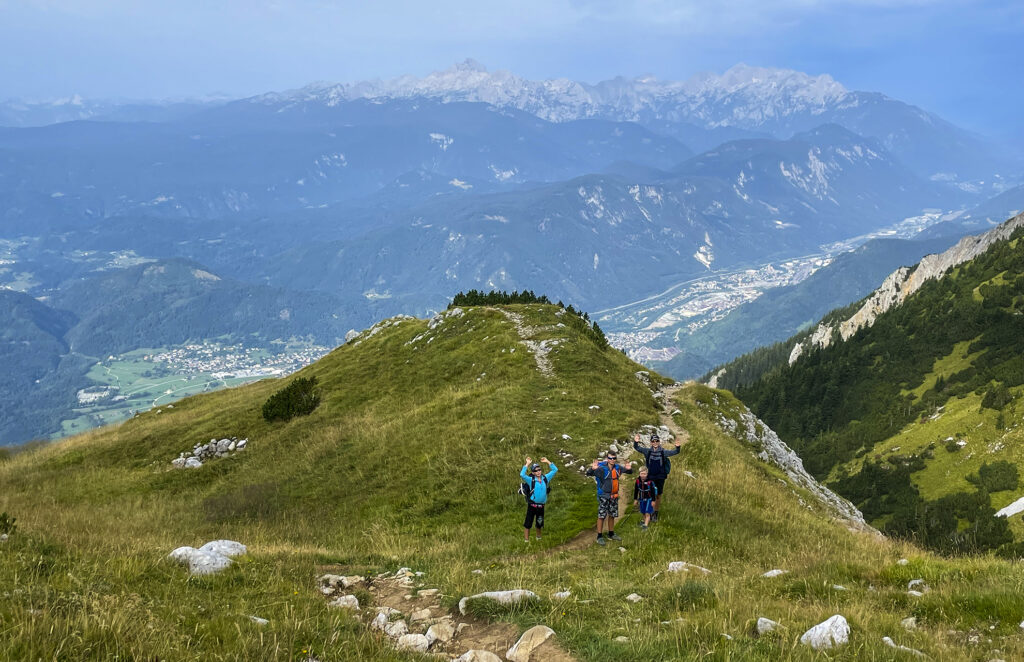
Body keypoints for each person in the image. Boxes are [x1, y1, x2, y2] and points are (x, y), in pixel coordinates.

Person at [585, 450, 632, 545]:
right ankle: (599, 536)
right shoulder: (601, 469)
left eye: (614, 458)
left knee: (612, 515)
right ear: (607, 458)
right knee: (601, 516)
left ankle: (611, 533)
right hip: (603, 496)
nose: (612, 460)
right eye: (610, 458)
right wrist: (592, 469)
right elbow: (588, 474)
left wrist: (629, 469)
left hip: (614, 496)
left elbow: (630, 472)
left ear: (616, 459)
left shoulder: (618, 468)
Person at [632, 431, 680, 522]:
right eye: (653, 441)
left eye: (656, 441)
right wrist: (636, 441)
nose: (655, 442)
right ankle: (648, 513)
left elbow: (675, 452)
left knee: (658, 495)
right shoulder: (647, 451)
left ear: (659, 442)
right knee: (649, 494)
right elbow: (637, 447)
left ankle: (655, 514)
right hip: (650, 477)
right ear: (651, 442)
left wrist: (677, 447)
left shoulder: (663, 452)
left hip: (661, 477)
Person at [520, 456, 557, 542]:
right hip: (532, 505)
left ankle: (538, 538)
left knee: (539, 523)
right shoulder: (531, 480)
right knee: (528, 523)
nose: (538, 472)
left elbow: (555, 470)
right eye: (536, 470)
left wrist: (547, 461)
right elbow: (522, 474)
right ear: (533, 472)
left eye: (539, 470)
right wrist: (527, 464)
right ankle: (526, 540)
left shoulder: (545, 478)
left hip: (541, 506)